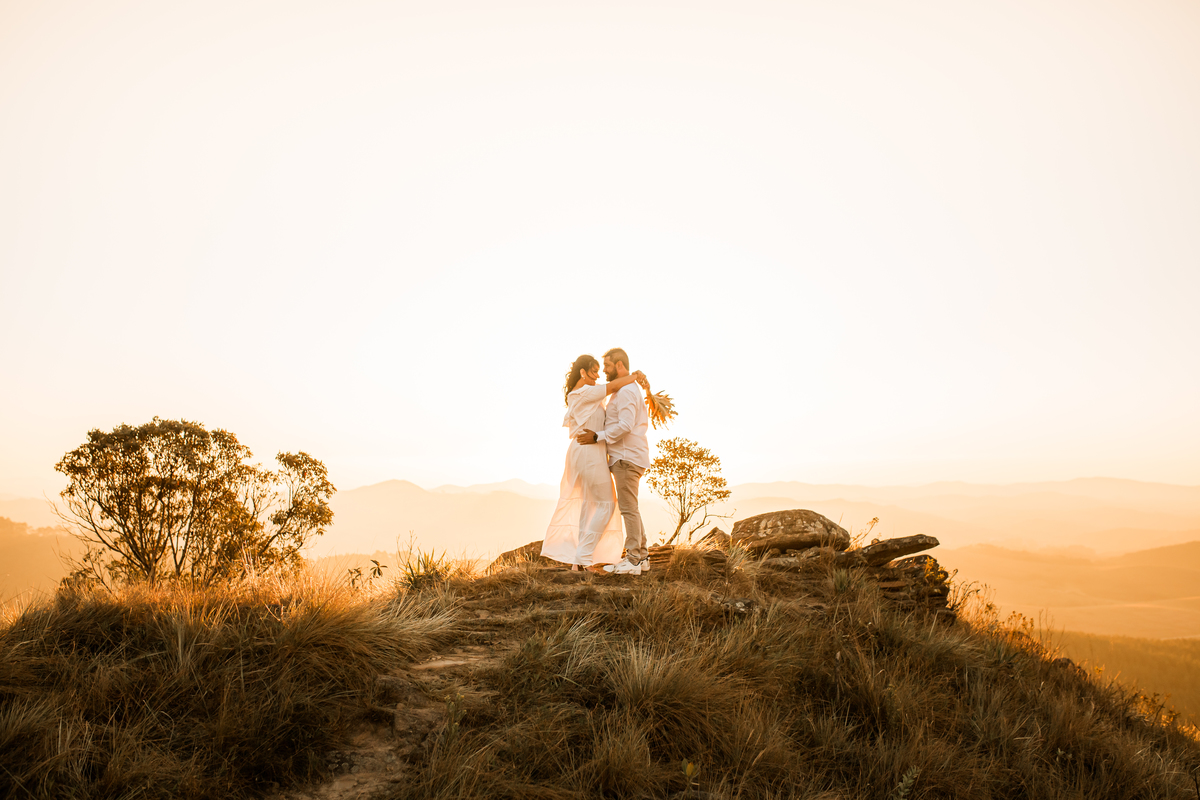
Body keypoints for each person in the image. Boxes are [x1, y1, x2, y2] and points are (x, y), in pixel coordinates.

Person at [542, 354, 647, 570]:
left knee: (589, 505)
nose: (598, 375)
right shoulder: (585, 392)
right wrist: (636, 375)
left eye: (602, 369)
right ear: (583, 372)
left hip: (590, 451)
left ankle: (580, 561)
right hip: (588, 450)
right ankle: (583, 556)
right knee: (606, 505)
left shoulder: (587, 394)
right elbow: (614, 384)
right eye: (594, 370)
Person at [576, 347, 651, 576]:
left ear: (619, 365)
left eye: (607, 365)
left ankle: (633, 560)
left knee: (628, 509)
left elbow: (626, 425)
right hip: (625, 457)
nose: (604, 370)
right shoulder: (623, 389)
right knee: (631, 508)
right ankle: (643, 557)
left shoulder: (627, 390)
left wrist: (598, 436)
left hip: (626, 457)